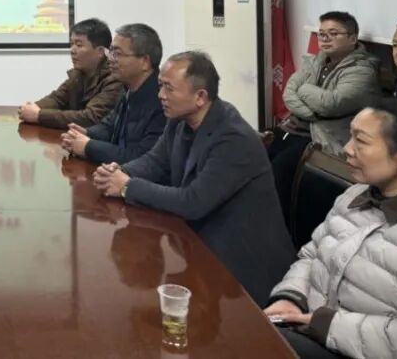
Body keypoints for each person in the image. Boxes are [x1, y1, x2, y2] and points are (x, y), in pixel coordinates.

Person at [94, 51, 294, 305]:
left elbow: (193, 202)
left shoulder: (233, 138)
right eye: (160, 86)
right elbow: (154, 162)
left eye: (168, 88)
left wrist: (127, 186)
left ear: (200, 97)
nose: (160, 95)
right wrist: (119, 171)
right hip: (201, 246)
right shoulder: (179, 121)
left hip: (243, 270)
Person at [265, 98, 397, 359]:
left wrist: (325, 325)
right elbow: (312, 255)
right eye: (350, 136)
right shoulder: (354, 195)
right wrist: (291, 298)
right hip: (306, 331)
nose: (347, 148)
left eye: (361, 141)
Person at [271, 11, 381, 222]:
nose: (325, 39)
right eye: (321, 34)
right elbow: (288, 94)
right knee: (257, 156)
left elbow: (330, 104)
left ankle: (282, 227)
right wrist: (313, 114)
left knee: (280, 171)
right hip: (295, 128)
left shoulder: (362, 70)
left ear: (352, 38)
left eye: (333, 33)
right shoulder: (315, 61)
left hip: (322, 137)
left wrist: (304, 90)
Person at [61, 23, 165, 164]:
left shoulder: (162, 100)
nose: (110, 59)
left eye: (117, 54)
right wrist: (86, 133)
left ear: (145, 62)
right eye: (110, 52)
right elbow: (109, 126)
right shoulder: (128, 88)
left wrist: (88, 146)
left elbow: (141, 157)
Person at [18, 18, 123, 129]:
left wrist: (39, 115)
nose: (72, 50)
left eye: (79, 45)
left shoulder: (114, 78)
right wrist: (32, 108)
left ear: (100, 51)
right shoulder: (78, 74)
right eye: (71, 44)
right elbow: (57, 99)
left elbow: (91, 118)